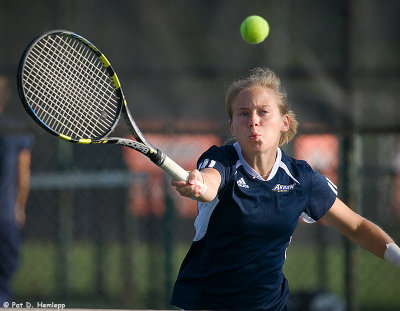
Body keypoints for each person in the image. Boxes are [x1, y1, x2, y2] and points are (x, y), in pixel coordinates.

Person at [170, 67, 400, 311]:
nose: (253, 121)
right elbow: (209, 183)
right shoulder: (222, 160)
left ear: (284, 122)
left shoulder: (302, 178)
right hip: (207, 304)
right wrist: (199, 184)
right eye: (243, 114)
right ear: (232, 125)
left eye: (263, 112)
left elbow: (357, 226)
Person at [0, 75, 34, 304]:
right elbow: (24, 175)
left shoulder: (15, 133)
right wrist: (18, 207)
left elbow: (23, 176)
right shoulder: (15, 131)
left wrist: (18, 207)